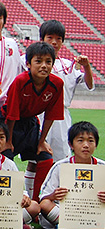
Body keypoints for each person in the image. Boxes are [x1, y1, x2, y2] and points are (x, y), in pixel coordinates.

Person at [3, 41, 64, 201]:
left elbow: (51, 115)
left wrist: (42, 141)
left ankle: (37, 202)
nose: (44, 66)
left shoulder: (57, 84)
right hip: (7, 123)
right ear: (28, 64)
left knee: (45, 157)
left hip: (30, 123)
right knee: (5, 159)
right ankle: (9, 203)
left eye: (48, 62)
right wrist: (8, 140)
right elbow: (12, 113)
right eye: (39, 61)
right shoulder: (20, 81)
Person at [39, 20, 94, 160]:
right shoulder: (32, 61)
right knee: (36, 158)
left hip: (60, 117)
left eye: (58, 39)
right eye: (50, 37)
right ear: (42, 39)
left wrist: (87, 67)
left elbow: (88, 85)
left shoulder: (69, 65)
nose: (54, 42)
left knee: (61, 157)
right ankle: (34, 183)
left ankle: (59, 183)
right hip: (38, 113)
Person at [39, 121, 105, 229]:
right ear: (71, 144)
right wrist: (53, 196)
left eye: (90, 141)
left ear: (96, 144)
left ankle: (69, 228)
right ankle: (72, 226)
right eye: (80, 140)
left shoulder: (102, 167)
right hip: (67, 212)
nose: (86, 145)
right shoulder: (60, 166)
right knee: (45, 205)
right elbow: (43, 198)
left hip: (95, 211)